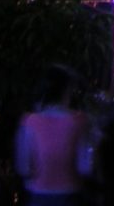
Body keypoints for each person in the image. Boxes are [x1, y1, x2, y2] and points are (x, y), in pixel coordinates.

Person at [15, 64, 91, 204]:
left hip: (37, 195)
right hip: (70, 195)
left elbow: (24, 168)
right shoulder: (80, 121)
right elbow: (84, 166)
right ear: (68, 90)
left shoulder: (30, 121)